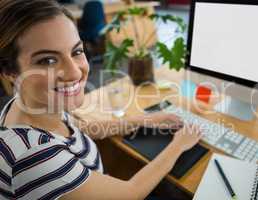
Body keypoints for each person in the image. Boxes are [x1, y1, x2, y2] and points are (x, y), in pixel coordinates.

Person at [0, 0, 202, 199]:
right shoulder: (35, 158)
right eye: (47, 60)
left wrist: (144, 120)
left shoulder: (28, 105)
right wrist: (179, 145)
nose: (74, 72)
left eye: (77, 51)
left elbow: (79, 129)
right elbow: (130, 194)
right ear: (9, 71)